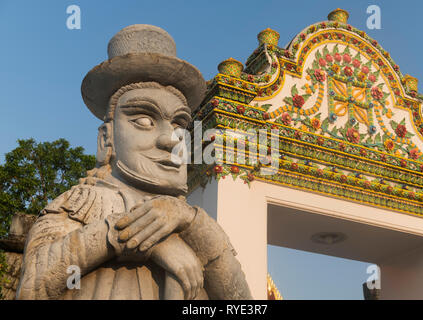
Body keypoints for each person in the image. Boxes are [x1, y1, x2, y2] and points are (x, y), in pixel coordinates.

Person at [16, 24, 252, 300]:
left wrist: (189, 222)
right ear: (107, 139)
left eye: (179, 126)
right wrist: (133, 239)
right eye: (143, 121)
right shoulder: (82, 204)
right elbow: (33, 287)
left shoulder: (197, 225)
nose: (169, 140)